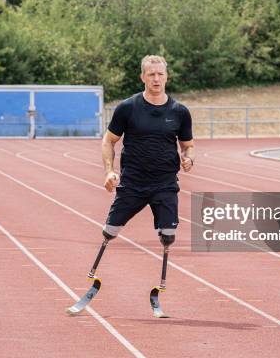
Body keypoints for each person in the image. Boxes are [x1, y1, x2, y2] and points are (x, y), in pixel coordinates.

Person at [67, 55, 194, 318]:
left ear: (167, 77)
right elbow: (108, 141)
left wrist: (188, 158)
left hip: (165, 184)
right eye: (151, 74)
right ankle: (92, 280)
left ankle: (159, 289)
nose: (156, 79)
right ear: (143, 77)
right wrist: (109, 171)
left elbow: (187, 144)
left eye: (160, 74)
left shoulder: (179, 112)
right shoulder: (128, 108)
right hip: (133, 183)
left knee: (168, 235)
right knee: (109, 231)